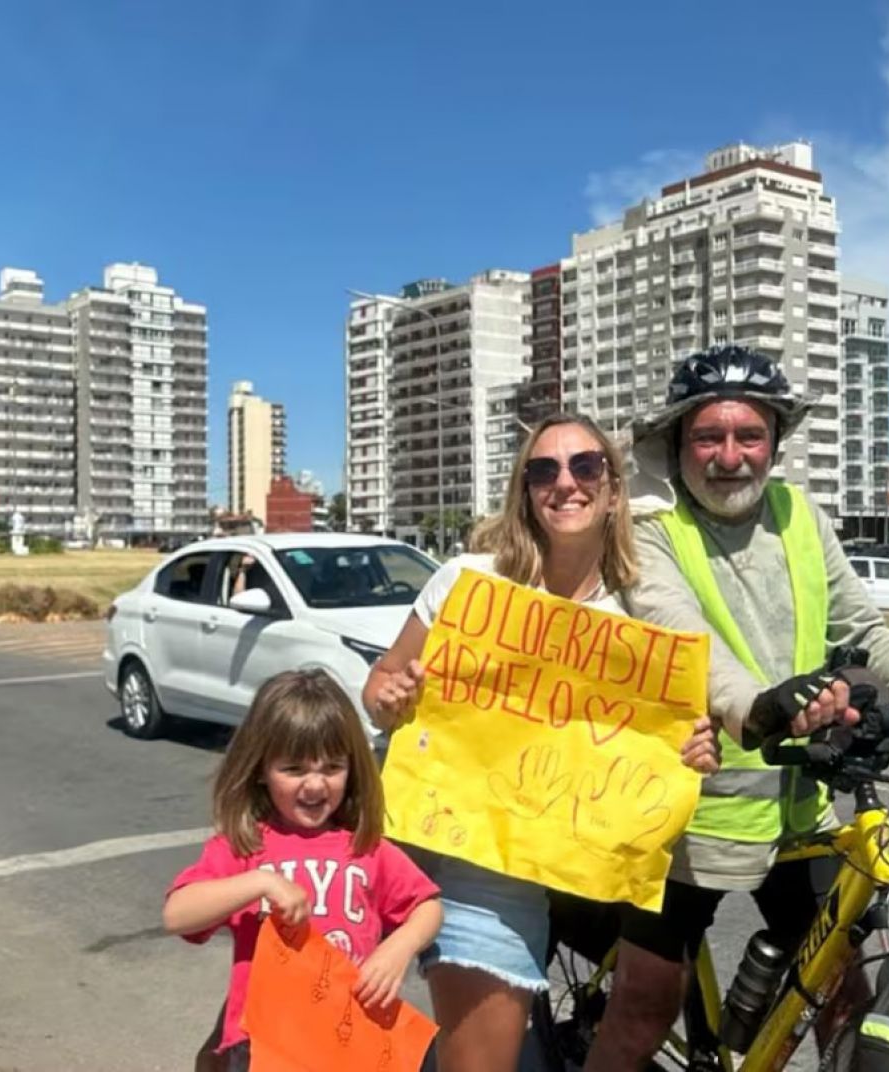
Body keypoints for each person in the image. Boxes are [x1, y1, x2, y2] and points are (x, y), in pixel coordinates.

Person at [586, 345, 889, 1070]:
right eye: (709, 437)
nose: (730, 457)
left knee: (843, 998)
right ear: (677, 443)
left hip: (801, 800)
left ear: (774, 442)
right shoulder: (650, 530)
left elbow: (863, 632)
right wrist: (757, 706)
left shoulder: (799, 514)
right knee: (644, 1007)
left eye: (749, 436)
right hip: (689, 812)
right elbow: (685, 642)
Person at [362, 412, 816, 1072]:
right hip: (485, 861)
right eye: (543, 470)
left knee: (642, 1000)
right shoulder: (468, 583)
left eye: (586, 467)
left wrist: (691, 754)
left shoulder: (642, 606)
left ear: (612, 489)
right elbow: (379, 686)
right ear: (524, 489)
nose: (565, 483)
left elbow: (677, 735)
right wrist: (392, 697)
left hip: (593, 866)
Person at [165, 670, 443, 1072]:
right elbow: (177, 914)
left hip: (352, 1044)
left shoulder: (366, 847)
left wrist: (398, 948)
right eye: (294, 769)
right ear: (260, 768)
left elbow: (427, 905)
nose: (315, 785)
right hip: (264, 1047)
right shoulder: (243, 848)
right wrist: (259, 881)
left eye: (331, 767)